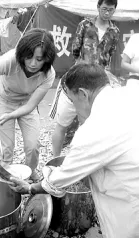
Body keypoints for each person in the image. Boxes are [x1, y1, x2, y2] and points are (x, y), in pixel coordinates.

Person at [9, 63, 139, 238]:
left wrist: (30, 187)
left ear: (83, 94)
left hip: (131, 210)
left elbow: (57, 181)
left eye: (72, 100)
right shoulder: (130, 94)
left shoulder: (94, 130)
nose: (74, 107)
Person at [0, 28, 56, 181]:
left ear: (47, 58)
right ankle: (6, 177)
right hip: (4, 100)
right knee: (5, 148)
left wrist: (11, 115)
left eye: (39, 59)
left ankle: (31, 171)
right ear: (22, 54)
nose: (32, 64)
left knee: (33, 145)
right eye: (29, 57)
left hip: (26, 102)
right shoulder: (10, 60)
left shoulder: (49, 74)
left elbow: (30, 106)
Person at [50, 0, 120, 157]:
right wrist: (82, 65)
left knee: (88, 126)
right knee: (62, 124)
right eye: (104, 8)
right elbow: (75, 49)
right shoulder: (85, 25)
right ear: (98, 8)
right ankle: (55, 160)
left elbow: (109, 55)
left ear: (115, 10)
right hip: (77, 79)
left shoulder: (114, 31)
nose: (107, 12)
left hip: (96, 85)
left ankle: (82, 160)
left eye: (110, 9)